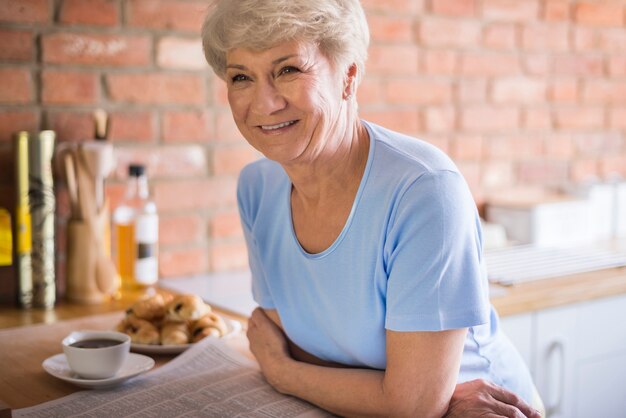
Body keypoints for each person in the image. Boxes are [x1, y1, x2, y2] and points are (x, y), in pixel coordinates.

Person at [202, 0, 543, 417]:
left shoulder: (423, 191)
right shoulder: (256, 188)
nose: (264, 103)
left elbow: (410, 405)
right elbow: (290, 342)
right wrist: (399, 396)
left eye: (288, 69)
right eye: (241, 77)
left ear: (348, 77)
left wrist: (281, 373)